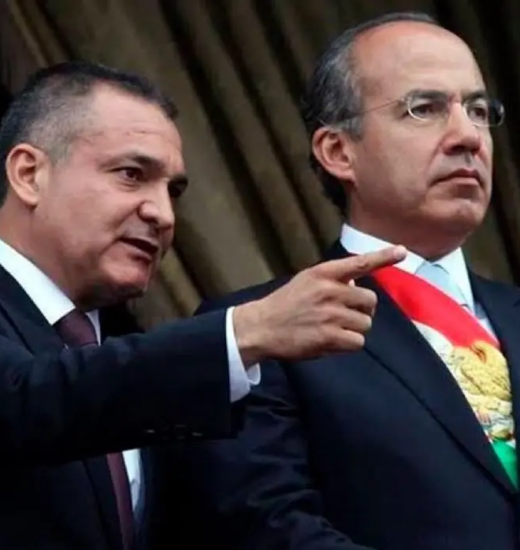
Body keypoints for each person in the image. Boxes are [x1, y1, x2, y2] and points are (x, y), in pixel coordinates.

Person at [0, 59, 404, 550]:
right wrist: (243, 333)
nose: (163, 214)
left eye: (172, 191)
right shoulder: (118, 370)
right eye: (131, 174)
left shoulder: (128, 365)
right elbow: (27, 400)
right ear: (29, 174)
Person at [166, 11, 520, 550]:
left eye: (478, 110)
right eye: (424, 109)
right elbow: (270, 525)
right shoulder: (257, 334)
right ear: (338, 152)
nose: (468, 136)